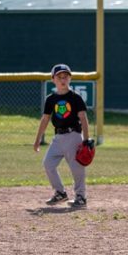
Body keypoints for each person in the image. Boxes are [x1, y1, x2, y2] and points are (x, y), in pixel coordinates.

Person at [33, 64, 91, 208]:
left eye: (66, 77)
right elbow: (45, 119)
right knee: (48, 164)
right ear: (53, 79)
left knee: (77, 168)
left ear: (70, 78)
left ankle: (81, 197)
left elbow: (83, 118)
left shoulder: (75, 98)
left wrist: (86, 140)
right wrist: (38, 139)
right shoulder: (51, 99)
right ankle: (60, 193)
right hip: (58, 137)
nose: (63, 79)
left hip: (73, 135)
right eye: (59, 77)